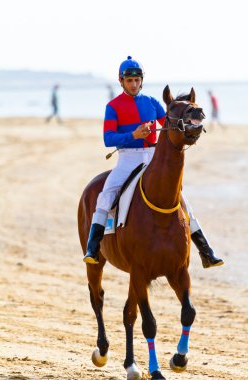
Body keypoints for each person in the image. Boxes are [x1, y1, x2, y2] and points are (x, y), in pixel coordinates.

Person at [83, 56, 224, 269]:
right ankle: (93, 247)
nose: (133, 84)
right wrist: (134, 134)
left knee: (181, 198)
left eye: (137, 80)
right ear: (121, 81)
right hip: (127, 160)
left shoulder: (152, 103)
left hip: (151, 157)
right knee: (106, 194)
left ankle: (205, 251)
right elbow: (108, 139)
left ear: (141, 80)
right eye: (129, 81)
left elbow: (170, 122)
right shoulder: (113, 106)